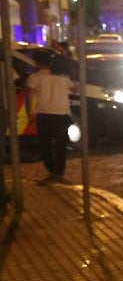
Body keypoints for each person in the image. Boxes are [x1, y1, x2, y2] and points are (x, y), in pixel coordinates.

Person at [25, 48, 76, 184]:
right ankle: (59, 173)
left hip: (44, 114)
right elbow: (75, 89)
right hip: (62, 114)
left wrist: (30, 114)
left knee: (45, 145)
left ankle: (51, 171)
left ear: (36, 62)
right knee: (61, 145)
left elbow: (29, 98)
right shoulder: (63, 77)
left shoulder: (34, 78)